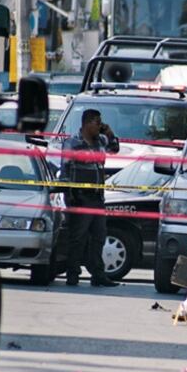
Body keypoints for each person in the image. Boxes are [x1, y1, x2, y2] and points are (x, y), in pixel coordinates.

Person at [60, 109, 120, 287]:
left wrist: (110, 133)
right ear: (87, 123)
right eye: (97, 122)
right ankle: (73, 274)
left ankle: (98, 275)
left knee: (99, 237)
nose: (99, 126)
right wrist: (69, 196)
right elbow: (65, 171)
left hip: (97, 198)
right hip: (80, 198)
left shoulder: (100, 140)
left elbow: (115, 149)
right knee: (78, 238)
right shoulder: (73, 142)